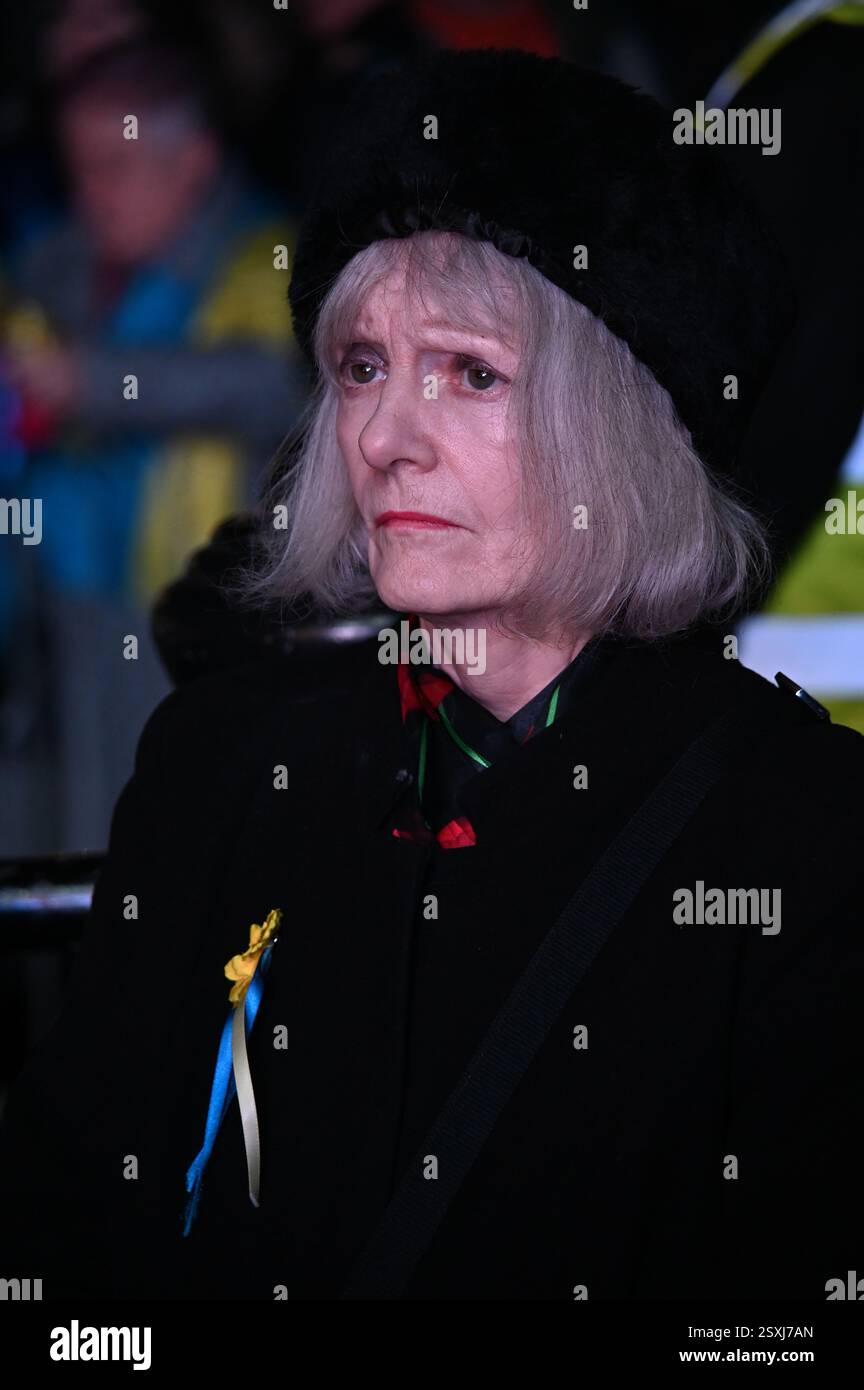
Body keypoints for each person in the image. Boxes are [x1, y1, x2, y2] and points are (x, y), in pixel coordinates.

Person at [1, 48, 861, 1302]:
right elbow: (67, 1238)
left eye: (470, 372)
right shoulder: (223, 762)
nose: (390, 438)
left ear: (617, 421)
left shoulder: (800, 835)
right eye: (362, 367)